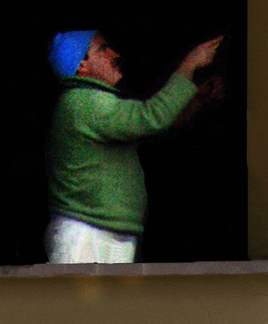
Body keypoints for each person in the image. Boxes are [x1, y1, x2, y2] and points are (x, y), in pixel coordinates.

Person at [43, 29, 224, 263]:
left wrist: (197, 101)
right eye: (102, 49)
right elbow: (152, 118)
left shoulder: (89, 103)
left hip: (103, 234)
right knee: (83, 290)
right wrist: (189, 65)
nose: (114, 54)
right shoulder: (85, 102)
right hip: (87, 235)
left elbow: (155, 124)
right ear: (82, 66)